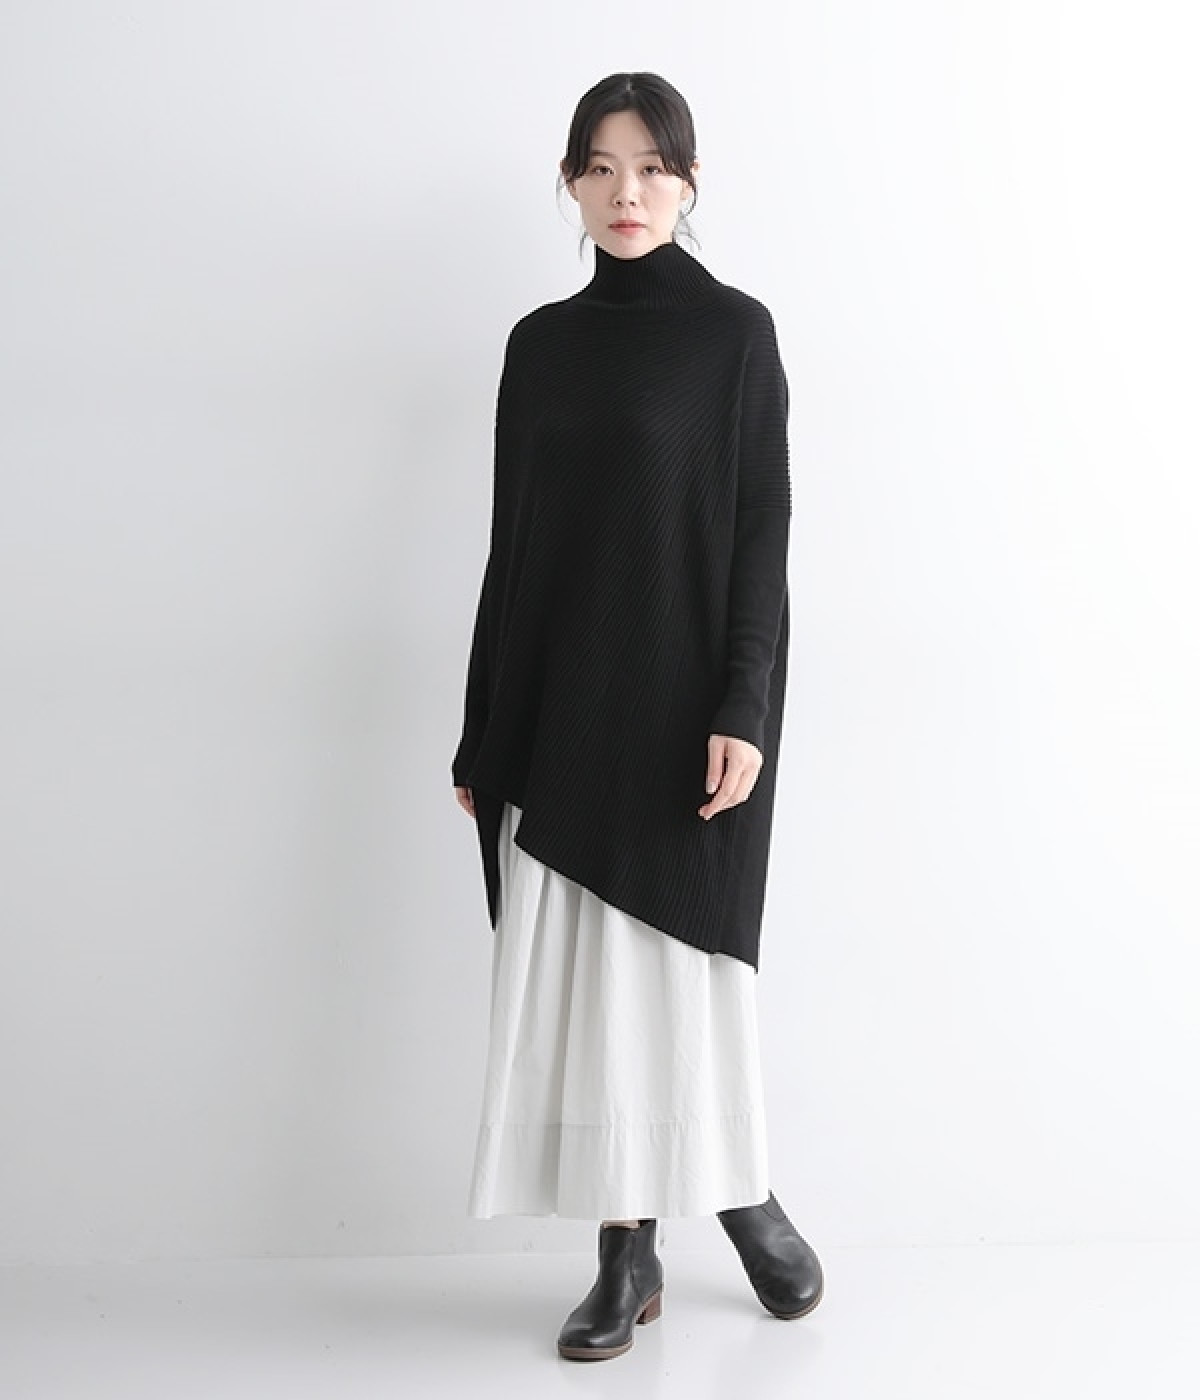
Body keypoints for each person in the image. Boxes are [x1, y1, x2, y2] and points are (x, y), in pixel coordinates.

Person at [450, 71, 824, 1361]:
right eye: (602, 168)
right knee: (590, 990)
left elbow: (764, 531)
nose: (628, 193)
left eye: (653, 168)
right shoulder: (539, 346)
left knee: (680, 975)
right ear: (570, 183)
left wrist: (744, 704)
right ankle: (626, 1252)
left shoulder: (735, 336)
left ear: (690, 181)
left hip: (684, 712)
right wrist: (483, 724)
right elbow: (513, 546)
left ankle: (742, 1192)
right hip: (565, 708)